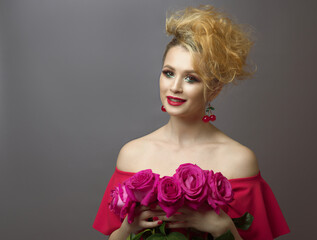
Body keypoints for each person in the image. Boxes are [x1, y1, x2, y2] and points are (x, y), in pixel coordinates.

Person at [93, 5, 290, 240]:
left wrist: (222, 226)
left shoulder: (239, 160)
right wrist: (128, 229)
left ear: (214, 89)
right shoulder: (132, 154)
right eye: (168, 73)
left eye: (191, 78)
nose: (175, 87)